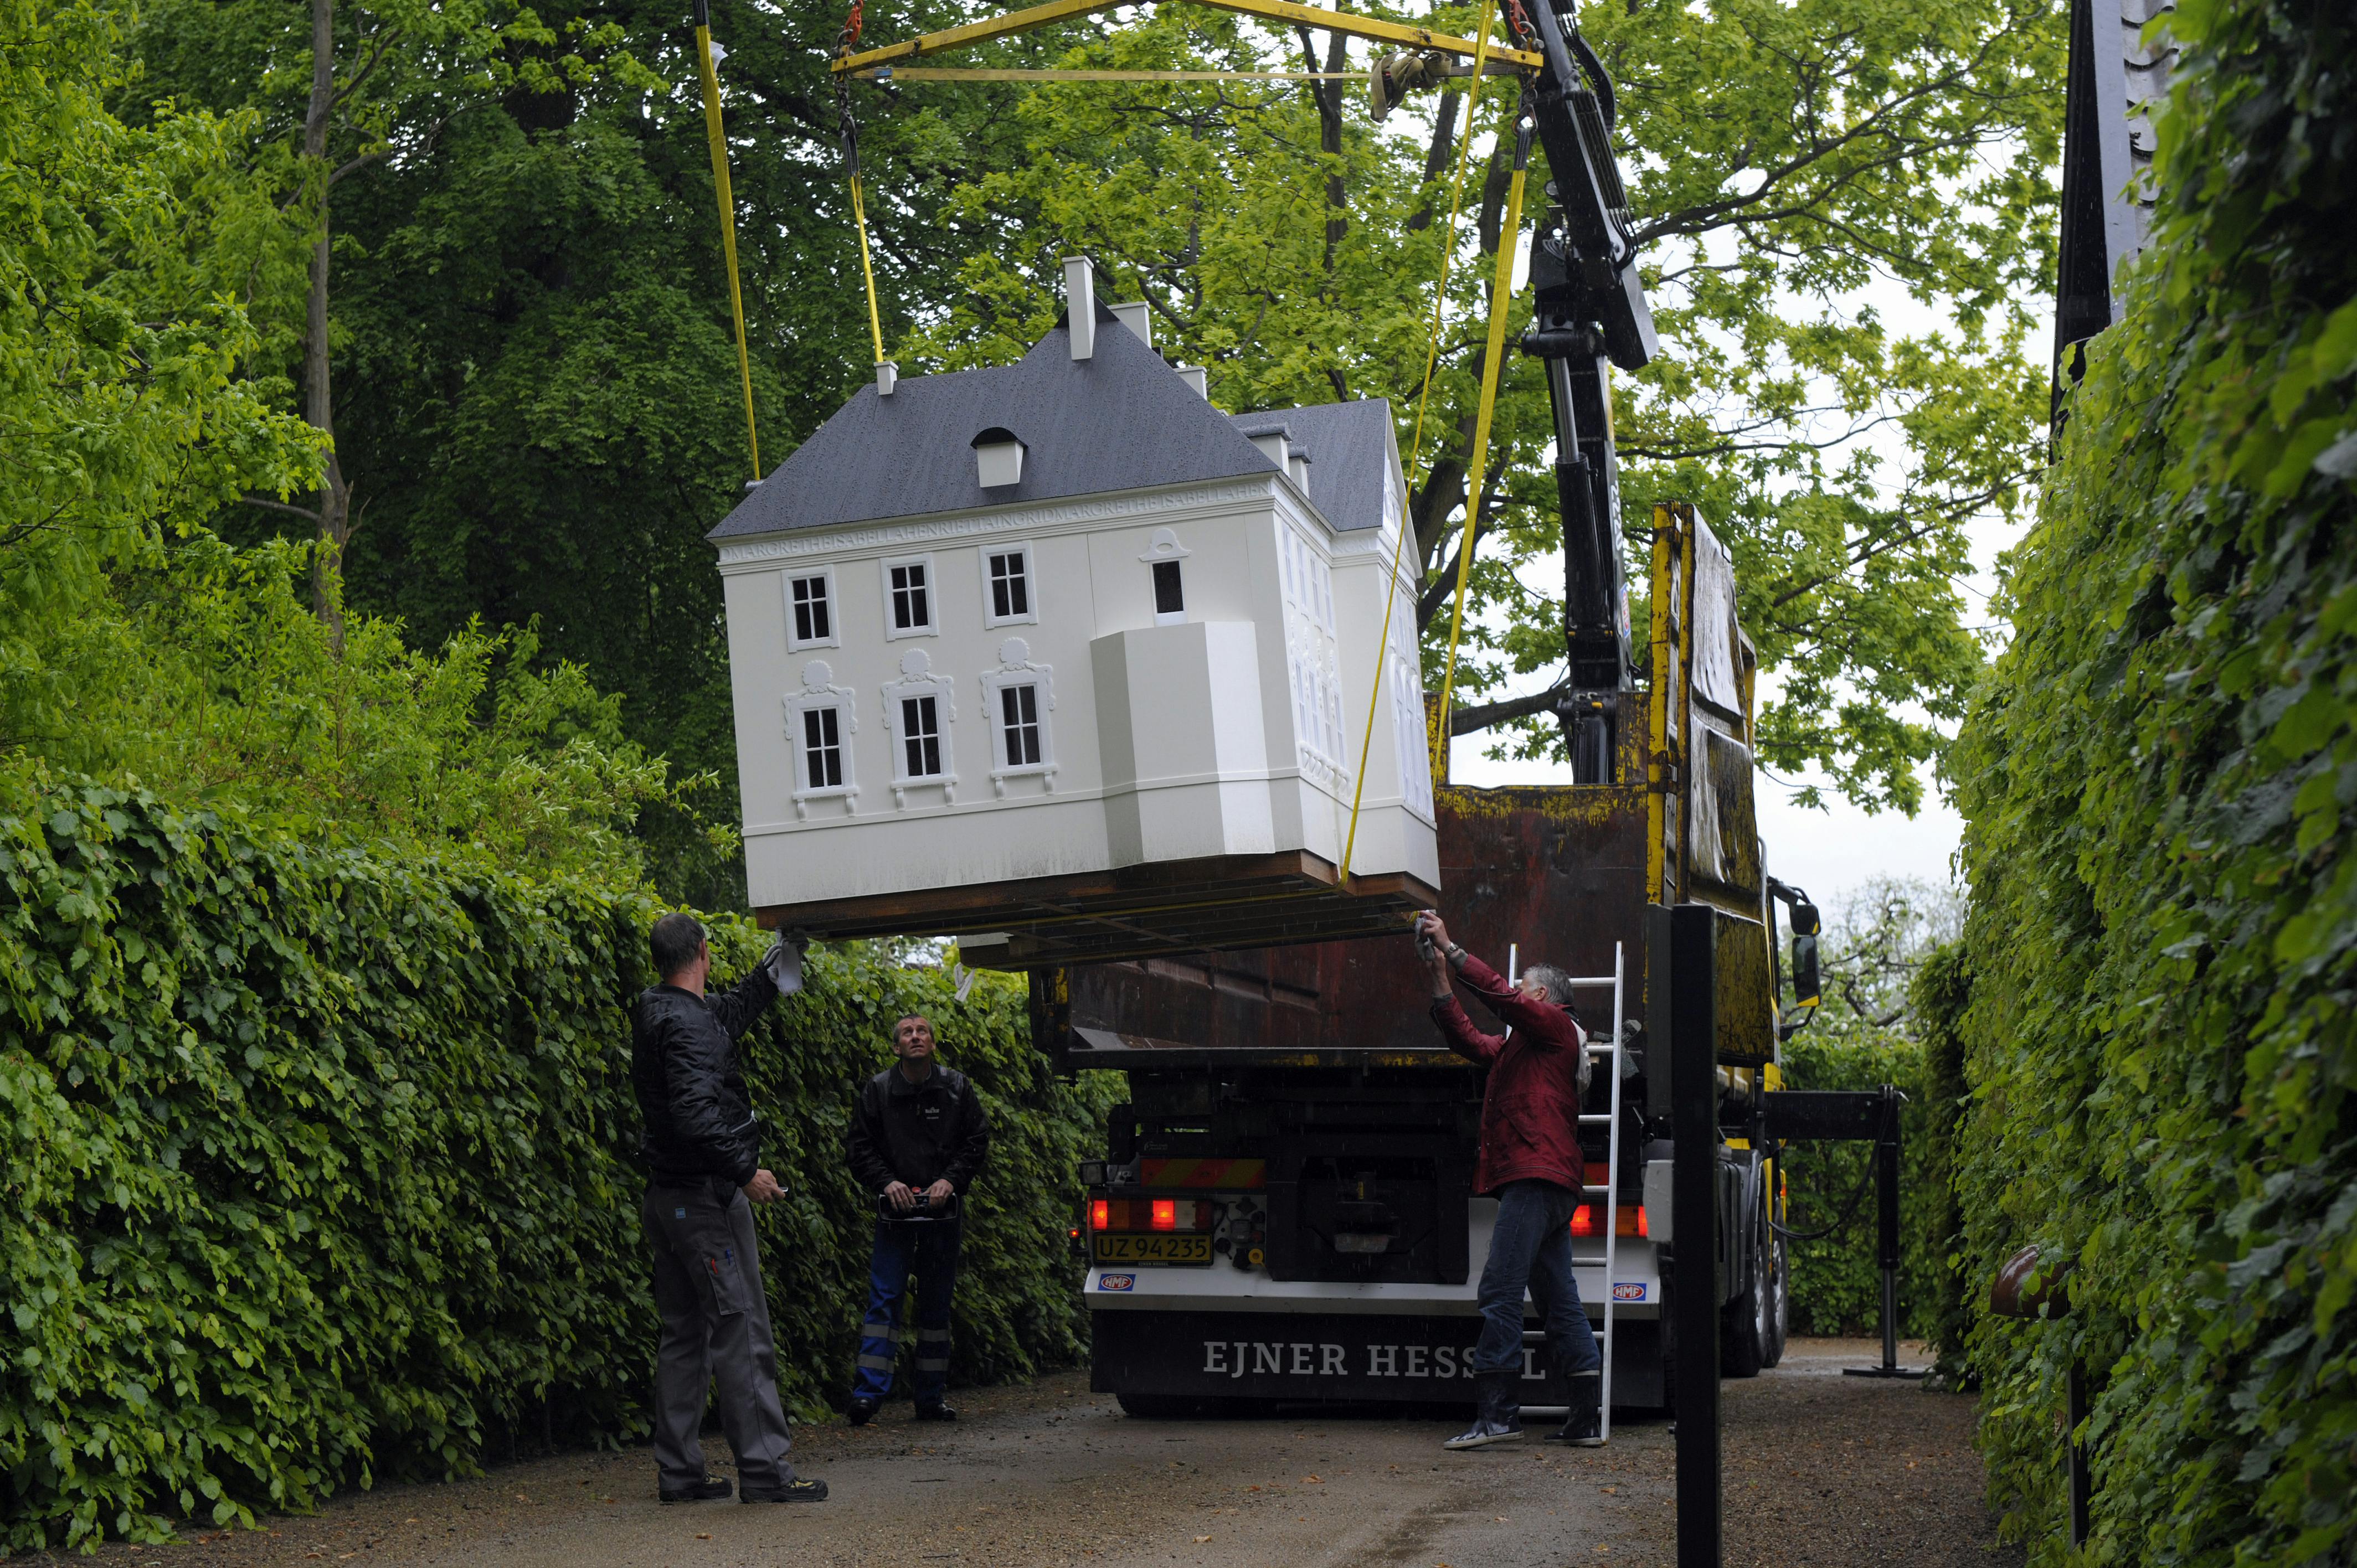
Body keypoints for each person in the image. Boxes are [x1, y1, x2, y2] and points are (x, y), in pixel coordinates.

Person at [631, 912, 827, 1504]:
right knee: (740, 1328)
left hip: (668, 1200)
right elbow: (695, 1116)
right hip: (702, 1203)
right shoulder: (685, 1025)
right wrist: (744, 1173)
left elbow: (722, 1017)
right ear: (703, 951)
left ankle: (681, 1474)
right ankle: (766, 1472)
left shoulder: (659, 1009)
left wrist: (769, 976)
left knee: (683, 1335)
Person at [1415, 910, 1604, 1450]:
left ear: (1543, 996)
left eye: (1526, 989)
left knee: (1499, 1289)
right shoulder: (1525, 1047)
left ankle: (1498, 1415)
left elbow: (1502, 999)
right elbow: (1471, 1043)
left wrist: (1452, 950)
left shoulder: (1555, 1027)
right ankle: (1585, 1419)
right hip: (1547, 1179)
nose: (1518, 995)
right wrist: (1438, 978)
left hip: (1534, 1174)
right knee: (1557, 1299)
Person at [843, 1013, 991, 1426]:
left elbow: (977, 1141)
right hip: (895, 1215)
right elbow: (857, 1148)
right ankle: (867, 1398)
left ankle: (930, 1399)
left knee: (935, 1308)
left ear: (933, 1043)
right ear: (896, 1047)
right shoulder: (877, 1090)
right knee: (884, 1303)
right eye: (907, 1033)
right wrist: (887, 1183)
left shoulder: (958, 1088)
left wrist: (950, 1181)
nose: (915, 1037)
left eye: (922, 1031)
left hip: (942, 1215)